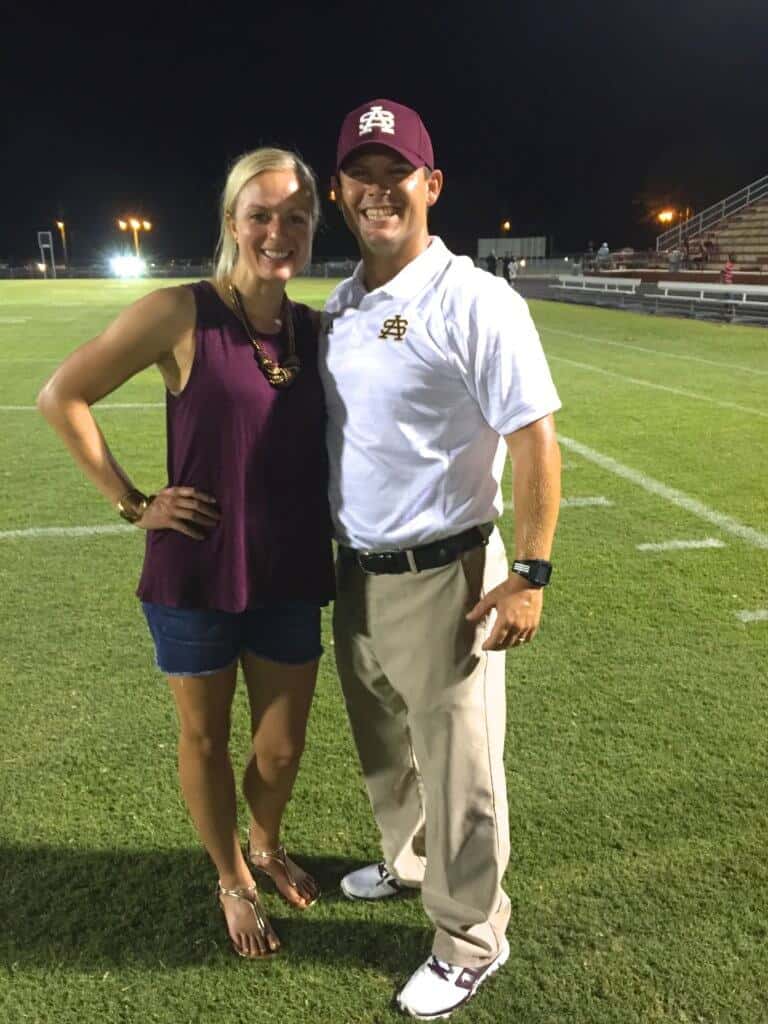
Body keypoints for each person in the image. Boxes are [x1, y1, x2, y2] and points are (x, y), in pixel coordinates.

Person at [37, 148, 334, 959]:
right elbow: (60, 395)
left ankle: (266, 841)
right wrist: (136, 502)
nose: (278, 232)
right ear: (233, 221)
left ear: (312, 230)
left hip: (290, 566)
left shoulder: (317, 330)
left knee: (281, 744)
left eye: (296, 218)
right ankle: (232, 874)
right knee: (204, 739)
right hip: (198, 567)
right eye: (262, 215)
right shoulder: (180, 312)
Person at [321, 99, 562, 1019]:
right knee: (387, 749)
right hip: (358, 573)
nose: (379, 192)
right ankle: (409, 864)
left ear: (432, 184)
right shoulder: (343, 303)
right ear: (340, 190)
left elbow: (536, 440)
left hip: (447, 573)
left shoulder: (473, 299)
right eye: (362, 176)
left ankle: (470, 936)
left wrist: (529, 573)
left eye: (397, 174)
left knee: (461, 765)